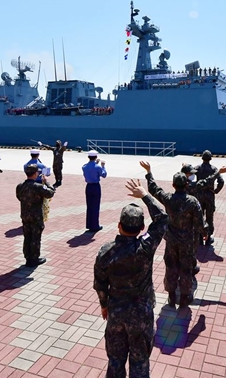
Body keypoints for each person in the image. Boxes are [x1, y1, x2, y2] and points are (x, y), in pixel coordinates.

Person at [93, 179, 168, 378]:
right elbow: (162, 218)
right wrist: (145, 195)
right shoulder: (146, 247)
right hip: (141, 314)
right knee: (140, 361)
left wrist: (104, 304)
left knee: (116, 360)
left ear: (119, 225)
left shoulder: (106, 252)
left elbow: (100, 283)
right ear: (142, 227)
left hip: (116, 312)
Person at [141, 161, 206, 306]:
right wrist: (204, 233)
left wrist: (149, 172)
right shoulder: (193, 202)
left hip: (171, 240)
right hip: (187, 241)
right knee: (186, 268)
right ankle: (184, 297)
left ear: (173, 185)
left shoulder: (168, 198)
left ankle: (171, 295)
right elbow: (199, 223)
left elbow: (154, 189)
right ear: (187, 185)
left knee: (171, 267)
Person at [16, 165, 56, 267]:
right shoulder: (38, 187)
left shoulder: (20, 186)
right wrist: (47, 182)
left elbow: (19, 197)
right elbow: (50, 193)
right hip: (36, 216)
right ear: (35, 174)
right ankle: (34, 259)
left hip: (25, 215)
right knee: (35, 237)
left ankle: (27, 257)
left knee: (27, 236)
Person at [194, 150, 224, 245]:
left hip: (199, 195)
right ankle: (208, 237)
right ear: (210, 158)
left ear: (202, 158)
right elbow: (221, 181)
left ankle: (199, 236)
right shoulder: (214, 169)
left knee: (199, 216)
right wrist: (216, 191)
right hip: (210, 196)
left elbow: (191, 178)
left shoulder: (197, 168)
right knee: (209, 217)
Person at [82, 150, 107, 232]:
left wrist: (95, 163)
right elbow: (104, 175)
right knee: (95, 206)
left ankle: (89, 224)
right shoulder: (98, 167)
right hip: (96, 186)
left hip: (88, 186)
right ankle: (95, 225)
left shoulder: (84, 166)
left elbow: (90, 168)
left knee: (89, 206)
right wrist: (103, 166)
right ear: (96, 157)